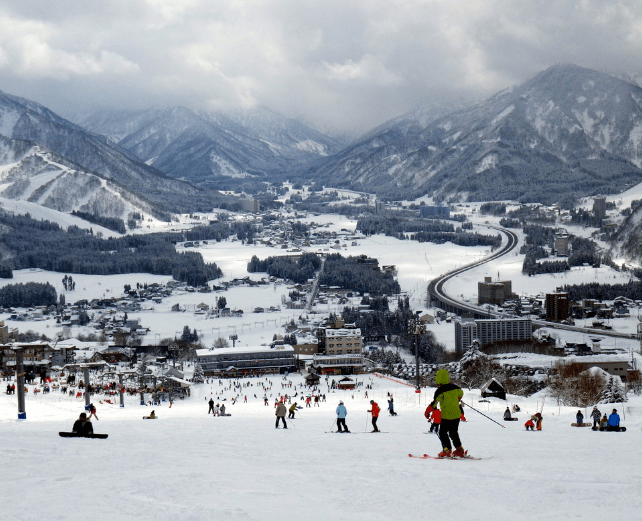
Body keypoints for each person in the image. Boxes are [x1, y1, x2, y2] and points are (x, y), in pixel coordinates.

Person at [425, 369, 465, 458]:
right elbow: (461, 394)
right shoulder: (455, 387)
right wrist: (456, 398)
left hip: (447, 416)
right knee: (453, 433)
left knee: (442, 433)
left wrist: (427, 412)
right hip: (456, 415)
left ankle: (447, 450)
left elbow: (434, 403)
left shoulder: (439, 391)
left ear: (438, 380)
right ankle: (459, 450)